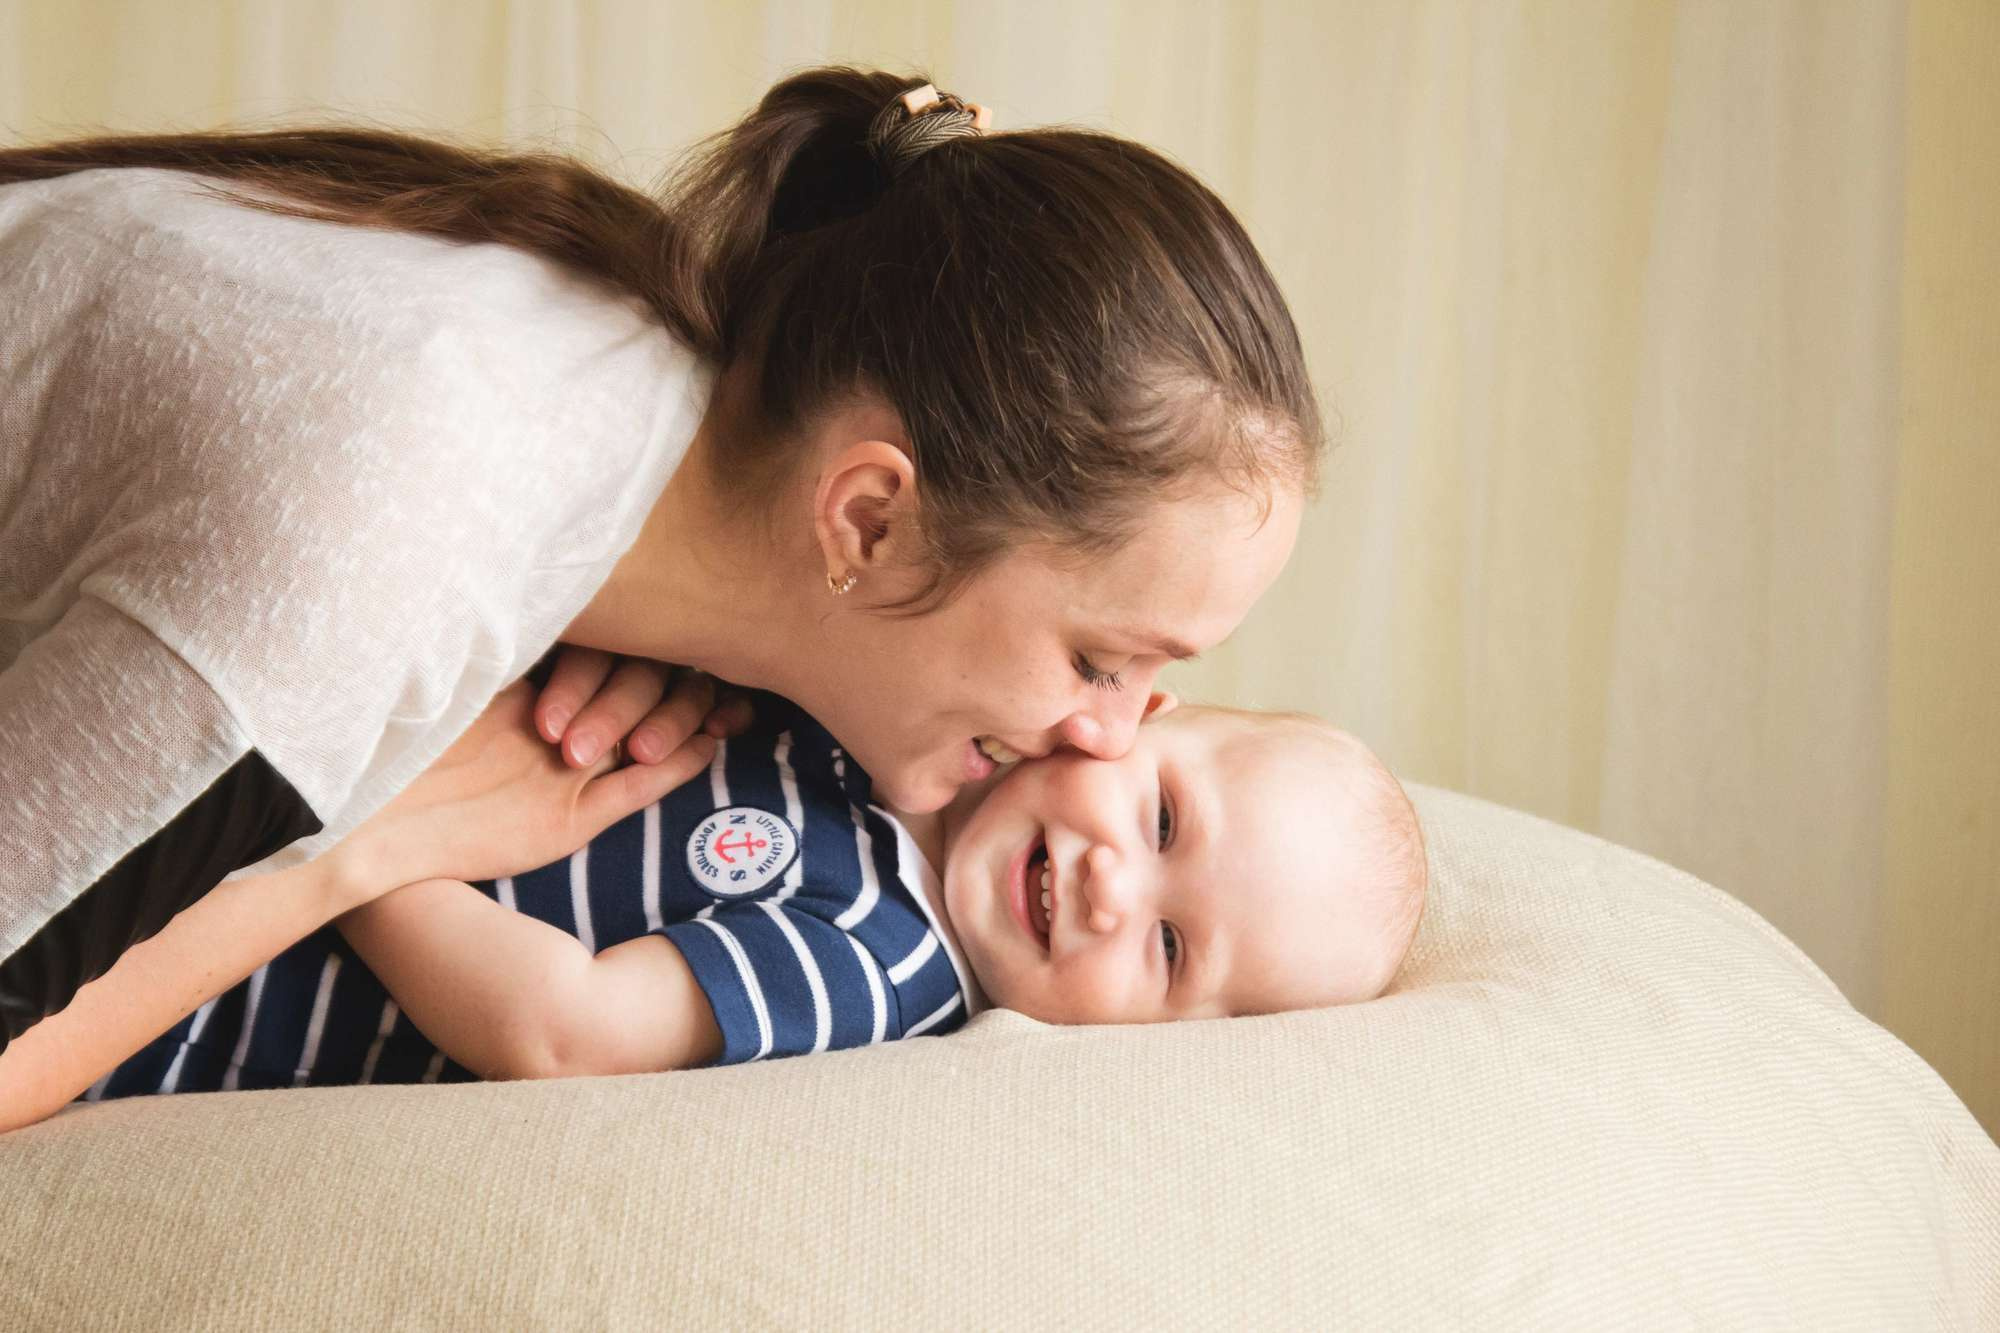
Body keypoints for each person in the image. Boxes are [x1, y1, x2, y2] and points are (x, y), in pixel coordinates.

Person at [0, 69, 1322, 1052]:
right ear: (865, 519)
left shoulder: (634, 401)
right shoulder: (376, 560)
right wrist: (372, 839)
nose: (1106, 740)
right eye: (1099, 657)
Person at [58, 684, 1425, 1098]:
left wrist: (358, 838)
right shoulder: (887, 722)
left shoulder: (884, 962)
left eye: (1174, 951)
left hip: (225, 1002)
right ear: (1137, 709)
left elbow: (564, 1026)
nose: (1118, 886)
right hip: (214, 787)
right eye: (1165, 812)